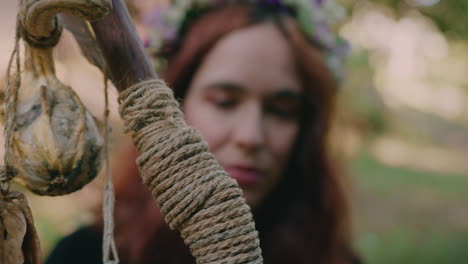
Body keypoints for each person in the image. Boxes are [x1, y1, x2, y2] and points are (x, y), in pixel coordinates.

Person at [46, 0, 359, 263]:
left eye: (282, 110)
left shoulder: (334, 257)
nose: (251, 137)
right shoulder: (88, 254)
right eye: (224, 102)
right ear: (175, 103)